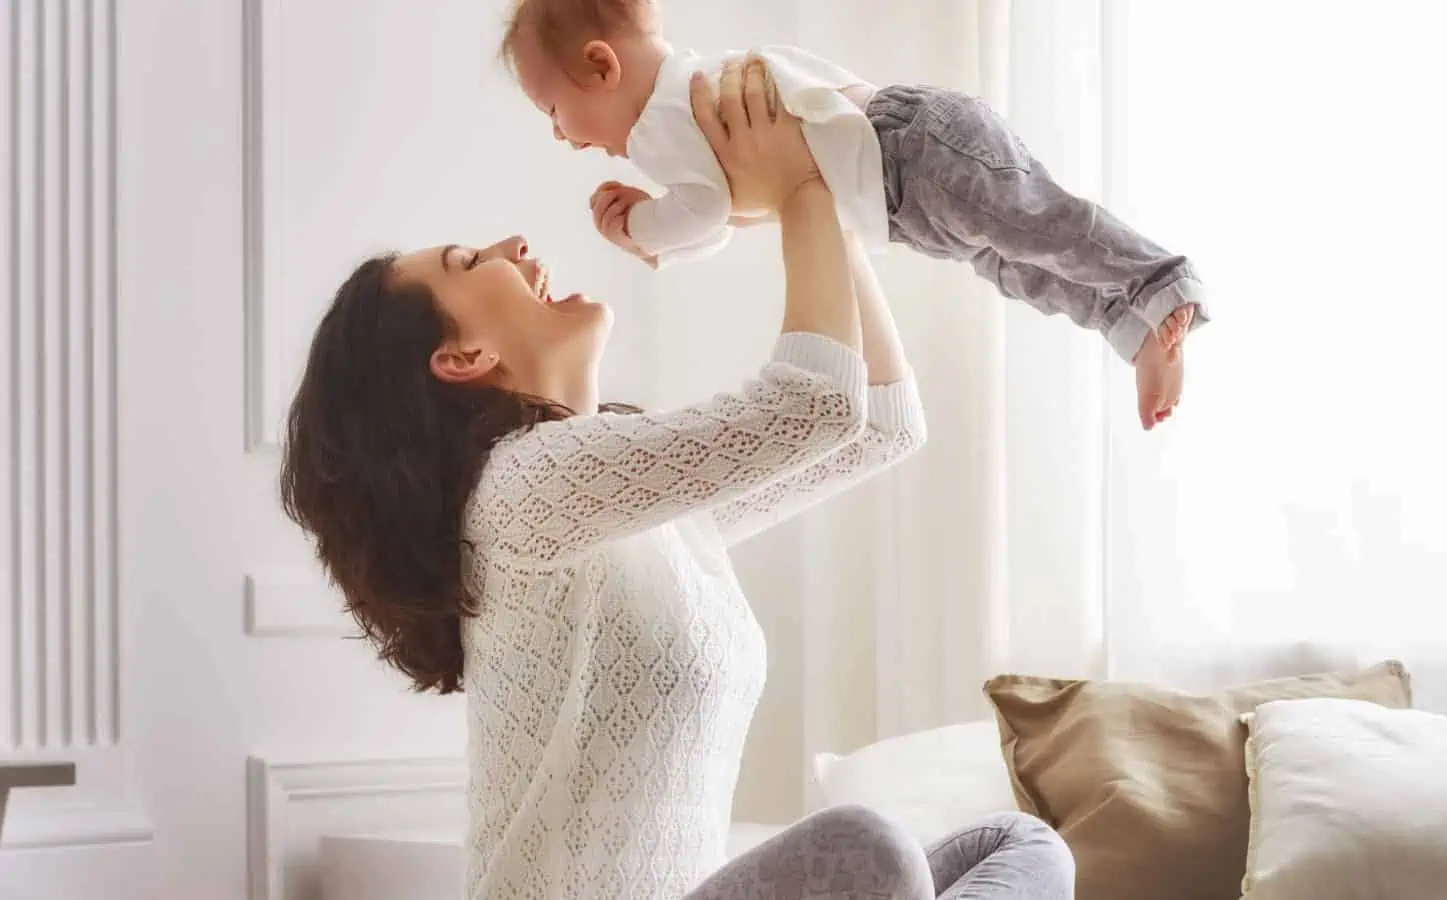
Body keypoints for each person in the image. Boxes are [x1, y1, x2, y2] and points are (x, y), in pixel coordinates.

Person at [279, 55, 1076, 899]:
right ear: (463, 356)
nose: (515, 246)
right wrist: (799, 185)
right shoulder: (519, 491)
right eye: (473, 261)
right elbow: (814, 409)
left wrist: (826, 193)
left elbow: (877, 427)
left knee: (1017, 845)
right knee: (864, 845)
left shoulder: (632, 508)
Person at [500, 0, 1204, 430]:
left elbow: (705, 210)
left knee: (1038, 228)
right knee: (1019, 263)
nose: (562, 135)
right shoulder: (687, 95)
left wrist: (640, 228)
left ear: (601, 66)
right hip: (905, 193)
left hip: (912, 152)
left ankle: (1159, 284)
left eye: (553, 111)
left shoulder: (662, 121)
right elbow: (722, 215)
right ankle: (1128, 326)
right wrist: (665, 229)